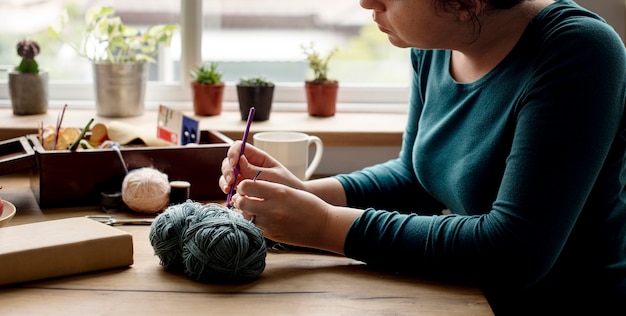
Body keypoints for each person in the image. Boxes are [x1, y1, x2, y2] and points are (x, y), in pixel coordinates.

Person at [220, 0, 626, 313]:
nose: (366, 3)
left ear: (467, 1)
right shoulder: (436, 46)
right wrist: (302, 193)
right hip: (463, 296)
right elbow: (415, 175)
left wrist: (324, 224)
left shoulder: (578, 50)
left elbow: (513, 253)